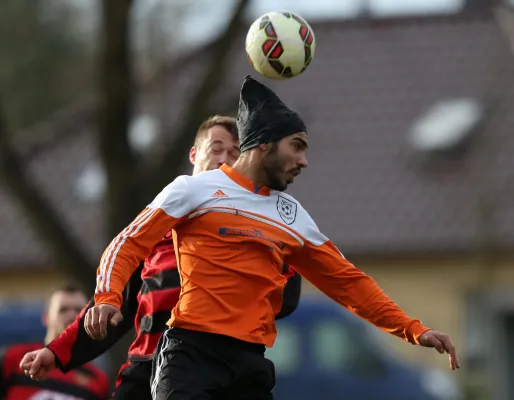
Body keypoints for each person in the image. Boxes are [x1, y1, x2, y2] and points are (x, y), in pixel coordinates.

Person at [85, 75, 459, 400]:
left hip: (250, 364)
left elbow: (349, 283)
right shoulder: (193, 190)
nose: (304, 161)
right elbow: (128, 243)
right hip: (190, 357)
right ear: (264, 143)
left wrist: (413, 330)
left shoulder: (292, 216)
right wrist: (107, 296)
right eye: (297, 146)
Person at [19, 115, 302, 400]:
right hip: (147, 365)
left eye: (235, 153)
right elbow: (114, 308)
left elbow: (287, 295)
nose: (224, 160)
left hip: (219, 368)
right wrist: (56, 352)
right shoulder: (160, 220)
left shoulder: (257, 225)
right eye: (216, 149)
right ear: (194, 154)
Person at [0, 284, 109, 400]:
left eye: (79, 310)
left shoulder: (97, 379)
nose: (72, 315)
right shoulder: (15, 358)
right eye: (63, 310)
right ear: (46, 317)